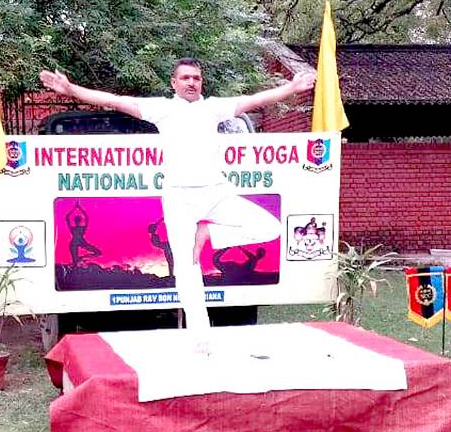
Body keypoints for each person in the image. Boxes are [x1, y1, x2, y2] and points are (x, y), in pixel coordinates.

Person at [40, 58, 315, 347]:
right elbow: (115, 101)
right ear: (174, 83)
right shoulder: (163, 108)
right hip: (180, 198)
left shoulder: (213, 108)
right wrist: (71, 89)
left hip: (216, 193)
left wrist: (292, 87)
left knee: (269, 227)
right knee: (187, 270)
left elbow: (255, 99)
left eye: (196, 78)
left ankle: (209, 233)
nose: (191, 82)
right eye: (185, 78)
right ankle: (202, 341)